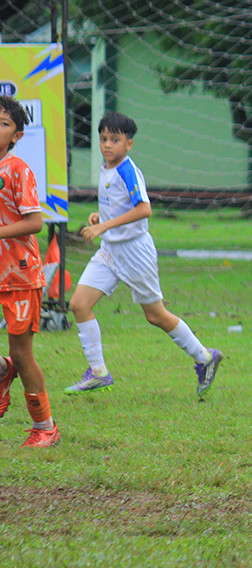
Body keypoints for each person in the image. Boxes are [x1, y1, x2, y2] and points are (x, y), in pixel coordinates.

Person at [64, 112, 223, 396]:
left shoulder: (127, 170)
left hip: (135, 252)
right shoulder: (107, 168)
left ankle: (205, 357)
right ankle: (98, 372)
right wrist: (101, 216)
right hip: (110, 251)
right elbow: (120, 204)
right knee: (79, 304)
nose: (107, 144)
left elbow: (143, 209)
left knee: (155, 315)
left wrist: (104, 225)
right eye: (103, 138)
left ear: (129, 144)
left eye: (115, 139)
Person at [0, 96, 60, 448]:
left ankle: (44, 427)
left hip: (19, 274)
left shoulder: (17, 169)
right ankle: (2, 369)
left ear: (17, 135)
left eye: (4, 123)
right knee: (14, 359)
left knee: (23, 355)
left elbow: (35, 222)